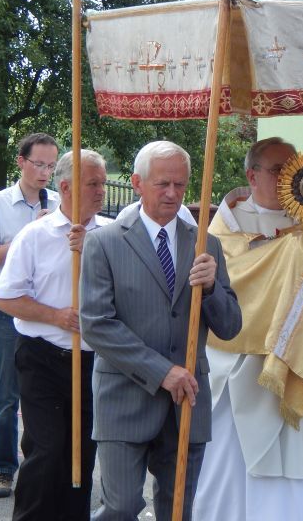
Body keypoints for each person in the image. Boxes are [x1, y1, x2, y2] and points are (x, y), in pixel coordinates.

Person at [193, 137, 303, 521]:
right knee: (230, 464)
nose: (288, 178)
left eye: (294, 169)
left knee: (301, 466)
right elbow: (228, 289)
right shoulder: (223, 232)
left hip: (299, 362)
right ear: (252, 175)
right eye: (279, 170)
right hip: (239, 367)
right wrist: (283, 256)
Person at [80, 141, 242, 521]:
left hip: (186, 405)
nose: (172, 193)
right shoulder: (104, 242)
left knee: (178, 511)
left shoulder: (206, 245)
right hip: (124, 398)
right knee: (120, 507)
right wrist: (162, 372)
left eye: (180, 185)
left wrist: (212, 289)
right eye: (163, 184)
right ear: (137, 183)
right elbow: (97, 324)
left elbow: (230, 326)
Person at [0, 149, 108, 520]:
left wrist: (92, 251)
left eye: (103, 183)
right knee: (47, 449)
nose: (101, 191)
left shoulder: (112, 235)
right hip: (42, 356)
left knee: (82, 453)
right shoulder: (34, 235)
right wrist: (55, 315)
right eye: (92, 184)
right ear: (66, 187)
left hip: (94, 361)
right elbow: (6, 298)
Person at [0, 132, 60, 497]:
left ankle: (42, 468)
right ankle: (4, 469)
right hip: (8, 308)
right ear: (21, 162)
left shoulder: (59, 201)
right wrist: (31, 232)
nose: (45, 173)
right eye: (39, 164)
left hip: (47, 307)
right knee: (8, 394)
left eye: (51, 166)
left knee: (46, 392)